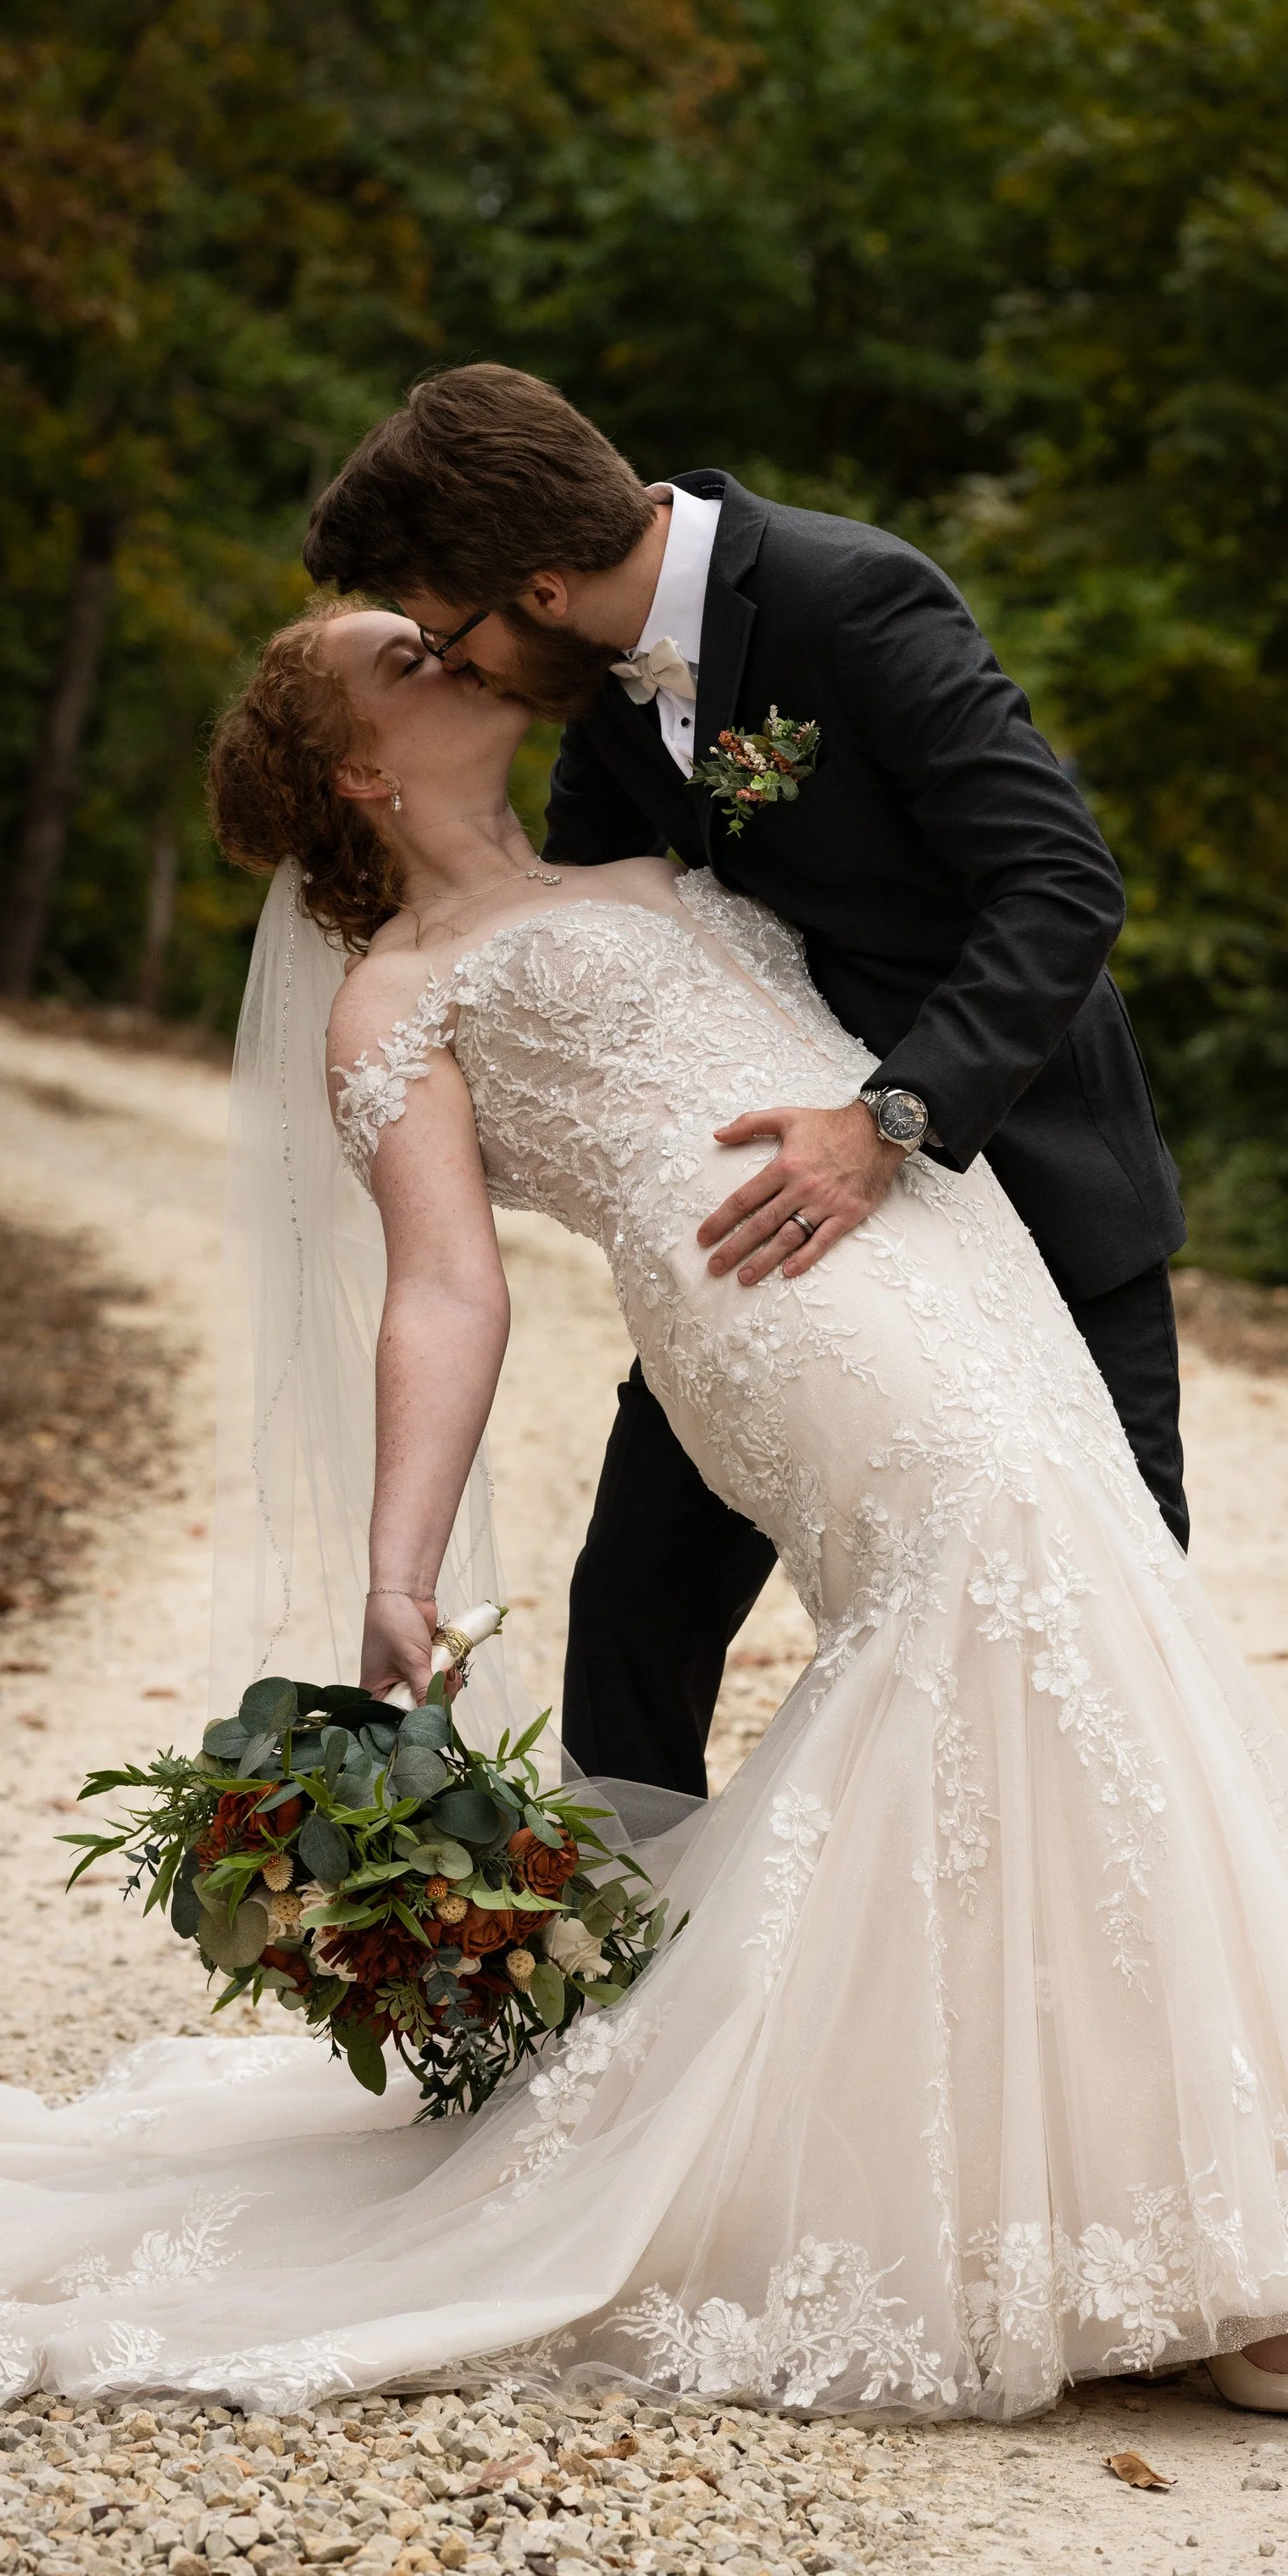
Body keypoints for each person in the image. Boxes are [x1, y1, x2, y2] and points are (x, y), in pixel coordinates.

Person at [0, 601, 1288, 2421]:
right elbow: (446, 1286)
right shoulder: (397, 996)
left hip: (947, 1243)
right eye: (402, 657)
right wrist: (398, 1561)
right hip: (780, 1301)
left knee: (1082, 1624)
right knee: (998, 1598)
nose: (451, 649)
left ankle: (1159, 2214)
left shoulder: (657, 854)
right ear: (360, 767)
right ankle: (1213, 2252)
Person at [302, 366, 1190, 1803]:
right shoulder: (593, 691)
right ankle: (632, 1986)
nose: (458, 674)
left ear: (534, 587)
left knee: (1109, 1630)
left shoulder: (850, 595)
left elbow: (1061, 883)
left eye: (449, 638)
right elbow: (579, 928)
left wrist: (888, 1121)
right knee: (634, 1641)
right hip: (770, 1242)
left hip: (1016, 1173)